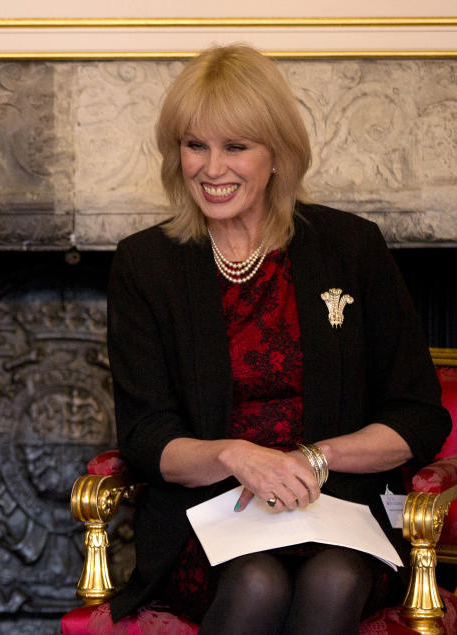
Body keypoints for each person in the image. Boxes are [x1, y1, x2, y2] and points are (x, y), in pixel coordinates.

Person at [106, 44, 450, 634]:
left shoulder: (351, 248)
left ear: (278, 156)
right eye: (196, 145)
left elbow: (417, 417)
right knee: (259, 582)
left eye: (236, 146)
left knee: (334, 577)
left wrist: (314, 459)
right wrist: (234, 455)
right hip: (209, 518)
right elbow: (145, 436)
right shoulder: (146, 265)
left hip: (339, 510)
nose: (212, 170)